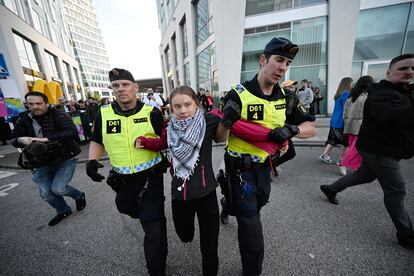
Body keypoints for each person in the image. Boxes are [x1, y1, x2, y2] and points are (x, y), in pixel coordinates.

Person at [220, 37, 316, 275]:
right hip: (239, 170)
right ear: (264, 60)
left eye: (288, 62)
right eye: (279, 60)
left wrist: (292, 130)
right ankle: (252, 270)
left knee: (257, 205)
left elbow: (310, 127)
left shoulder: (287, 96)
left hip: (264, 168)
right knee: (250, 222)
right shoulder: (238, 94)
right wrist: (226, 121)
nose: (283, 67)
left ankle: (226, 204)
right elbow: (219, 138)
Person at [137, 85, 239, 276]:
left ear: (196, 104)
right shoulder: (170, 128)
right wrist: (145, 142)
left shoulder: (208, 120)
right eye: (177, 107)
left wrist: (227, 121)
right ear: (171, 109)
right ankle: (187, 233)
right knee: (185, 236)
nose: (183, 111)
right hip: (180, 195)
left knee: (209, 246)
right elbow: (162, 143)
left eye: (187, 105)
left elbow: (221, 137)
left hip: (206, 193)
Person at [320, 54, 414, 249]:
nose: (410, 72)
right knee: (396, 191)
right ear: (389, 72)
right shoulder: (382, 94)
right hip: (380, 149)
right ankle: (406, 233)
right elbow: (391, 116)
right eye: (404, 68)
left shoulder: (395, 92)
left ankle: (331, 188)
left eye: (413, 69)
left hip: (374, 145)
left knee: (364, 175)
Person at [85, 68, 168, 275]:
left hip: (150, 176)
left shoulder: (151, 112)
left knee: (153, 227)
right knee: (126, 208)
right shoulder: (103, 113)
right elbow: (97, 140)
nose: (121, 89)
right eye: (116, 86)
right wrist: (92, 161)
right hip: (121, 179)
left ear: (135, 87)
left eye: (125, 84)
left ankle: (156, 269)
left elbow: (167, 141)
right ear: (112, 89)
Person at [11, 91, 86, 226]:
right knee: (46, 193)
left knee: (58, 188)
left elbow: (72, 132)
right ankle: (63, 210)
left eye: (39, 103)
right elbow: (14, 139)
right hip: (40, 161)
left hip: (64, 157)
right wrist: (20, 139)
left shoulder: (58, 114)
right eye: (31, 104)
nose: (35, 107)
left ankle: (79, 195)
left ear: (47, 103)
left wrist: (46, 139)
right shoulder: (24, 119)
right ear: (27, 105)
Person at [319, 77, 353, 175]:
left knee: (333, 139)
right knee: (345, 142)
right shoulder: (346, 94)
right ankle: (341, 160)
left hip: (335, 120)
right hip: (341, 121)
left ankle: (325, 155)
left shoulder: (338, 94)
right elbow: (347, 109)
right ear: (348, 84)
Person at [340, 75, 374, 172]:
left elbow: (344, 112)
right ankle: (343, 163)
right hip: (359, 126)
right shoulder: (365, 98)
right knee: (356, 149)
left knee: (353, 147)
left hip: (349, 126)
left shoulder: (351, 97)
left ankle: (355, 167)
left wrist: (347, 122)